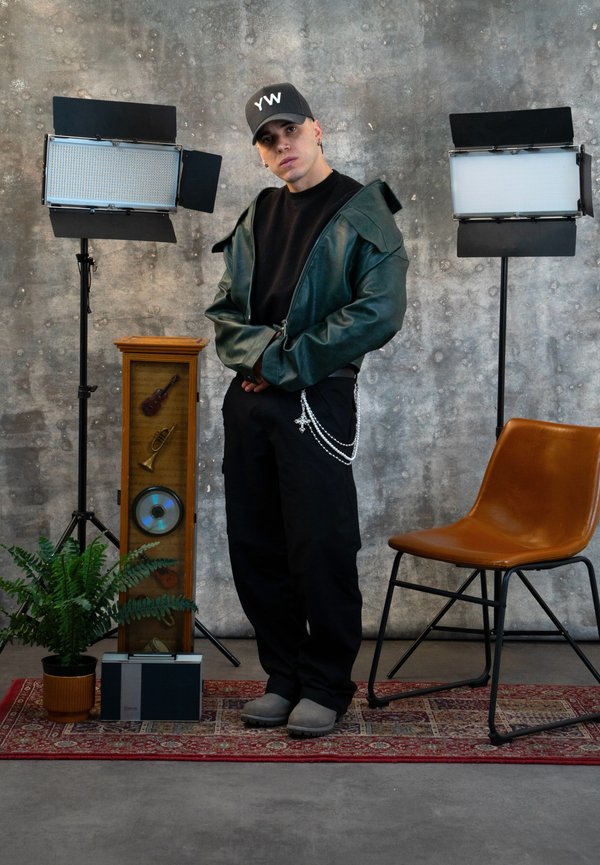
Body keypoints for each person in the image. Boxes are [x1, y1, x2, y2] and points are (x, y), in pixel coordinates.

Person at [206, 82, 408, 737]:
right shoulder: (257, 214)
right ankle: (284, 674)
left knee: (319, 541)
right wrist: (260, 360)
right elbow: (226, 312)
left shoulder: (362, 209)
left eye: (289, 129)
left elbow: (378, 311)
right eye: (267, 138)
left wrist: (282, 364)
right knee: (255, 541)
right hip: (249, 403)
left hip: (315, 399)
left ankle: (325, 682)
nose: (281, 144)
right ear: (260, 154)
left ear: (316, 129)